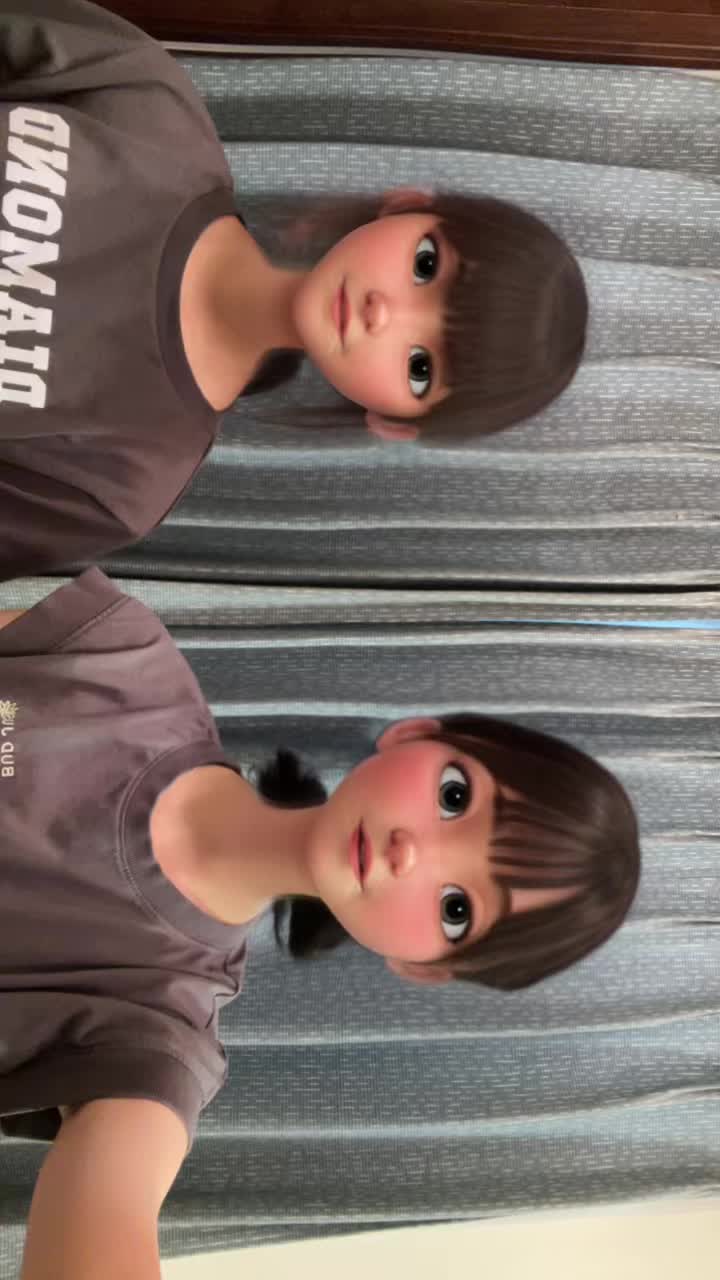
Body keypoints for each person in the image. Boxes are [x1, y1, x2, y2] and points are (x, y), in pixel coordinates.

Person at [0, 569, 638, 1278]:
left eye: (456, 909)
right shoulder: (124, 657)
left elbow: (108, 1206)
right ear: (414, 735)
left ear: (423, 966)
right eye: (455, 797)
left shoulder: (158, 1036)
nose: (411, 852)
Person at [0, 0, 588, 581]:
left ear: (393, 423)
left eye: (420, 368)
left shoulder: (125, 482)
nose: (383, 313)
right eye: (426, 265)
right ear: (407, 205)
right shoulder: (148, 101)